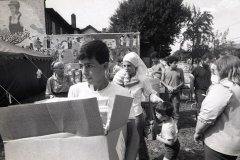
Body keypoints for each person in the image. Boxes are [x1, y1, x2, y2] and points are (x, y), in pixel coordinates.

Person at [67, 40, 139, 160]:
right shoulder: (75, 91)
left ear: (105, 66)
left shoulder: (121, 94)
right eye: (81, 66)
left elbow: (133, 135)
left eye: (89, 66)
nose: (84, 72)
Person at [113, 52, 163, 160]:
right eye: (124, 65)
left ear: (135, 65)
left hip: (136, 115)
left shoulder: (142, 79)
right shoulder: (121, 79)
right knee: (124, 139)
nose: (126, 68)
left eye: (129, 65)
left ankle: (143, 158)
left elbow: (150, 93)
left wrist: (158, 100)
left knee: (138, 140)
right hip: (122, 114)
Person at [194, 55, 240, 160]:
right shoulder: (237, 87)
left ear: (222, 69)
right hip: (234, 142)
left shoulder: (223, 88)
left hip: (219, 143)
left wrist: (198, 132)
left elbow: (207, 116)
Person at [161, 56, 184, 130]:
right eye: (174, 63)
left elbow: (183, 82)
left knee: (176, 110)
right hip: (167, 93)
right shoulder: (165, 70)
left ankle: (175, 125)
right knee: (166, 109)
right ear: (170, 63)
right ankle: (167, 124)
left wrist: (177, 87)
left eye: (176, 63)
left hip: (176, 93)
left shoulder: (180, 71)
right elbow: (161, 81)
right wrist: (167, 86)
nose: (176, 64)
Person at [190, 53, 214, 117]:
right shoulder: (196, 69)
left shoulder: (208, 69)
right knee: (200, 108)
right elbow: (191, 81)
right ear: (202, 60)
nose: (209, 64)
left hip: (208, 91)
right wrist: (193, 93)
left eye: (210, 62)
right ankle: (198, 122)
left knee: (207, 107)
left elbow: (209, 80)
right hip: (199, 91)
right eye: (207, 62)